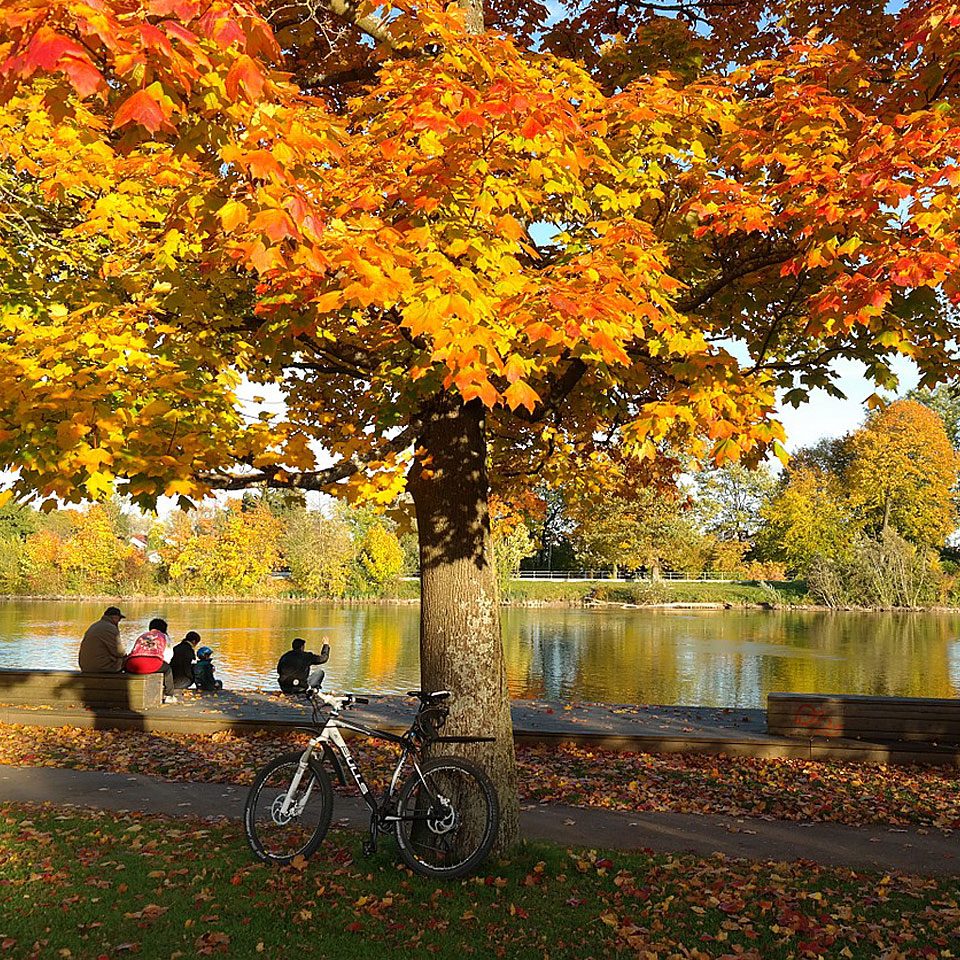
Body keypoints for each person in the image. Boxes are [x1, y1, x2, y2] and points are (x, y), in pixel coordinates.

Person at [124, 617, 176, 703]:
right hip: (152, 664)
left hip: (132, 664)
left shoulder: (142, 636)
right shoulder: (164, 637)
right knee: (168, 669)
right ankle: (169, 696)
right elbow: (168, 655)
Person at [78, 606, 127, 673]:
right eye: (119, 619)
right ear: (115, 617)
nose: (119, 622)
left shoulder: (95, 625)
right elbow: (119, 652)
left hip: (85, 667)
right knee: (127, 661)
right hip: (99, 667)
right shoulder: (110, 628)